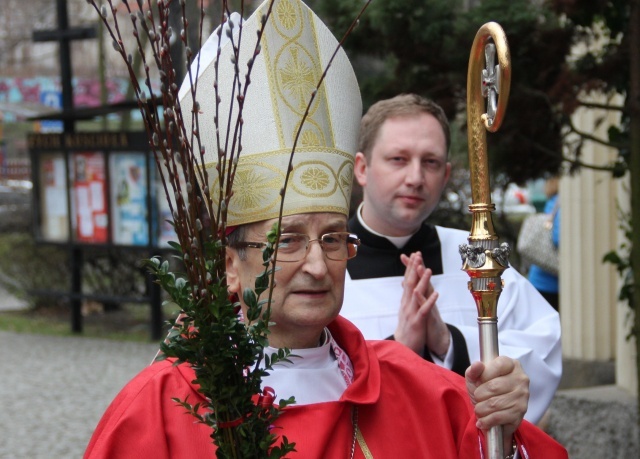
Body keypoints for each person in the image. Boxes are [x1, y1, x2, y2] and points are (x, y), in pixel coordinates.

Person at [85, 1, 567, 457]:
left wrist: (503, 424)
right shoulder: (162, 407)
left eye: (333, 238)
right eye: (287, 240)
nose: (317, 266)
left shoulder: (419, 388)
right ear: (230, 265)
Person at [340, 94, 562, 425]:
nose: (415, 178)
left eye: (430, 162)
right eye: (398, 159)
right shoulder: (325, 261)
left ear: (445, 176)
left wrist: (451, 343)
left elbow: (544, 341)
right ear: (362, 168)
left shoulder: (475, 255)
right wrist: (397, 349)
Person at [527, 177, 560, 311]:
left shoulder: (552, 202)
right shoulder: (562, 203)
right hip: (551, 283)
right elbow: (559, 239)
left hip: (540, 277)